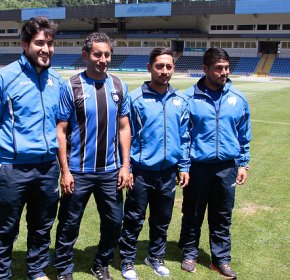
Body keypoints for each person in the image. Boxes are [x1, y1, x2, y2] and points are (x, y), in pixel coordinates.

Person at [0, 16, 62, 280]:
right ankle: (0, 274)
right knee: (5, 227)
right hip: (13, 168)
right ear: (24, 44)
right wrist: (6, 154)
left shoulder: (57, 81)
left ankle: (36, 271)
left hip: (48, 168)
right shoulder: (3, 78)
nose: (45, 49)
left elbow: (60, 127)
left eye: (49, 43)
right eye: (39, 43)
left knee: (42, 226)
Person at [54, 32, 131, 280]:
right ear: (86, 55)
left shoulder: (119, 85)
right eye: (98, 54)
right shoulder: (71, 86)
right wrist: (65, 171)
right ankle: (64, 268)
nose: (103, 59)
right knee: (68, 223)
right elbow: (61, 130)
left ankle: (101, 263)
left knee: (114, 222)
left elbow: (124, 128)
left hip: (110, 171)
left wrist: (125, 166)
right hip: (78, 171)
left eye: (107, 54)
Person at [178, 47, 252, 279]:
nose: (224, 72)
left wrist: (243, 163)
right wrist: (184, 165)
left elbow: (244, 134)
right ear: (205, 69)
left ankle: (221, 259)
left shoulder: (238, 98)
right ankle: (190, 253)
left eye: (227, 68)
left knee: (222, 215)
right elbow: (183, 136)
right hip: (197, 167)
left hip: (226, 167)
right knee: (193, 212)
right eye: (218, 68)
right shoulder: (188, 98)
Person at [118, 47, 190, 280]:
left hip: (168, 172)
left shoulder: (179, 100)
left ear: (173, 69)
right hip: (141, 172)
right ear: (150, 68)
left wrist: (184, 166)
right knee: (134, 218)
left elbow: (184, 136)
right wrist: (126, 166)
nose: (165, 71)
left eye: (169, 66)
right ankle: (127, 260)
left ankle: (155, 257)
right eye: (160, 66)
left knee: (162, 219)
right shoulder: (135, 99)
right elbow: (125, 135)